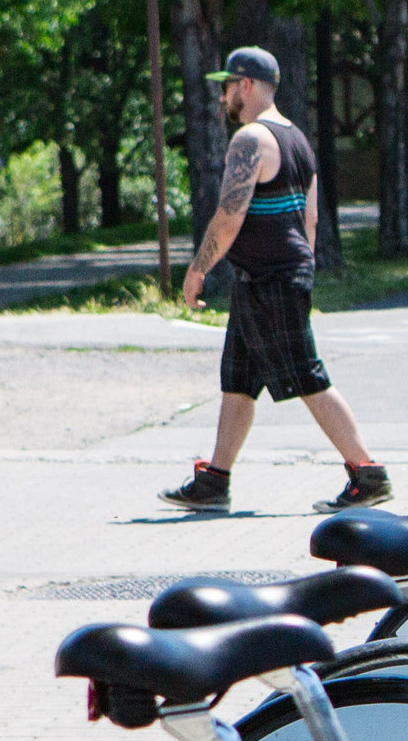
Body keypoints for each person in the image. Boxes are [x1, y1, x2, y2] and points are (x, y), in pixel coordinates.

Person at [162, 45, 390, 513]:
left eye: (227, 87)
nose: (223, 96)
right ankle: (215, 481)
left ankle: (367, 474)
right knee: (238, 381)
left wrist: (197, 269)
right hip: (266, 276)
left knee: (307, 376)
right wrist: (300, 267)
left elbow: (228, 216)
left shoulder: (250, 139)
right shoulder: (297, 141)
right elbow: (309, 219)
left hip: (272, 279)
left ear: (245, 85)